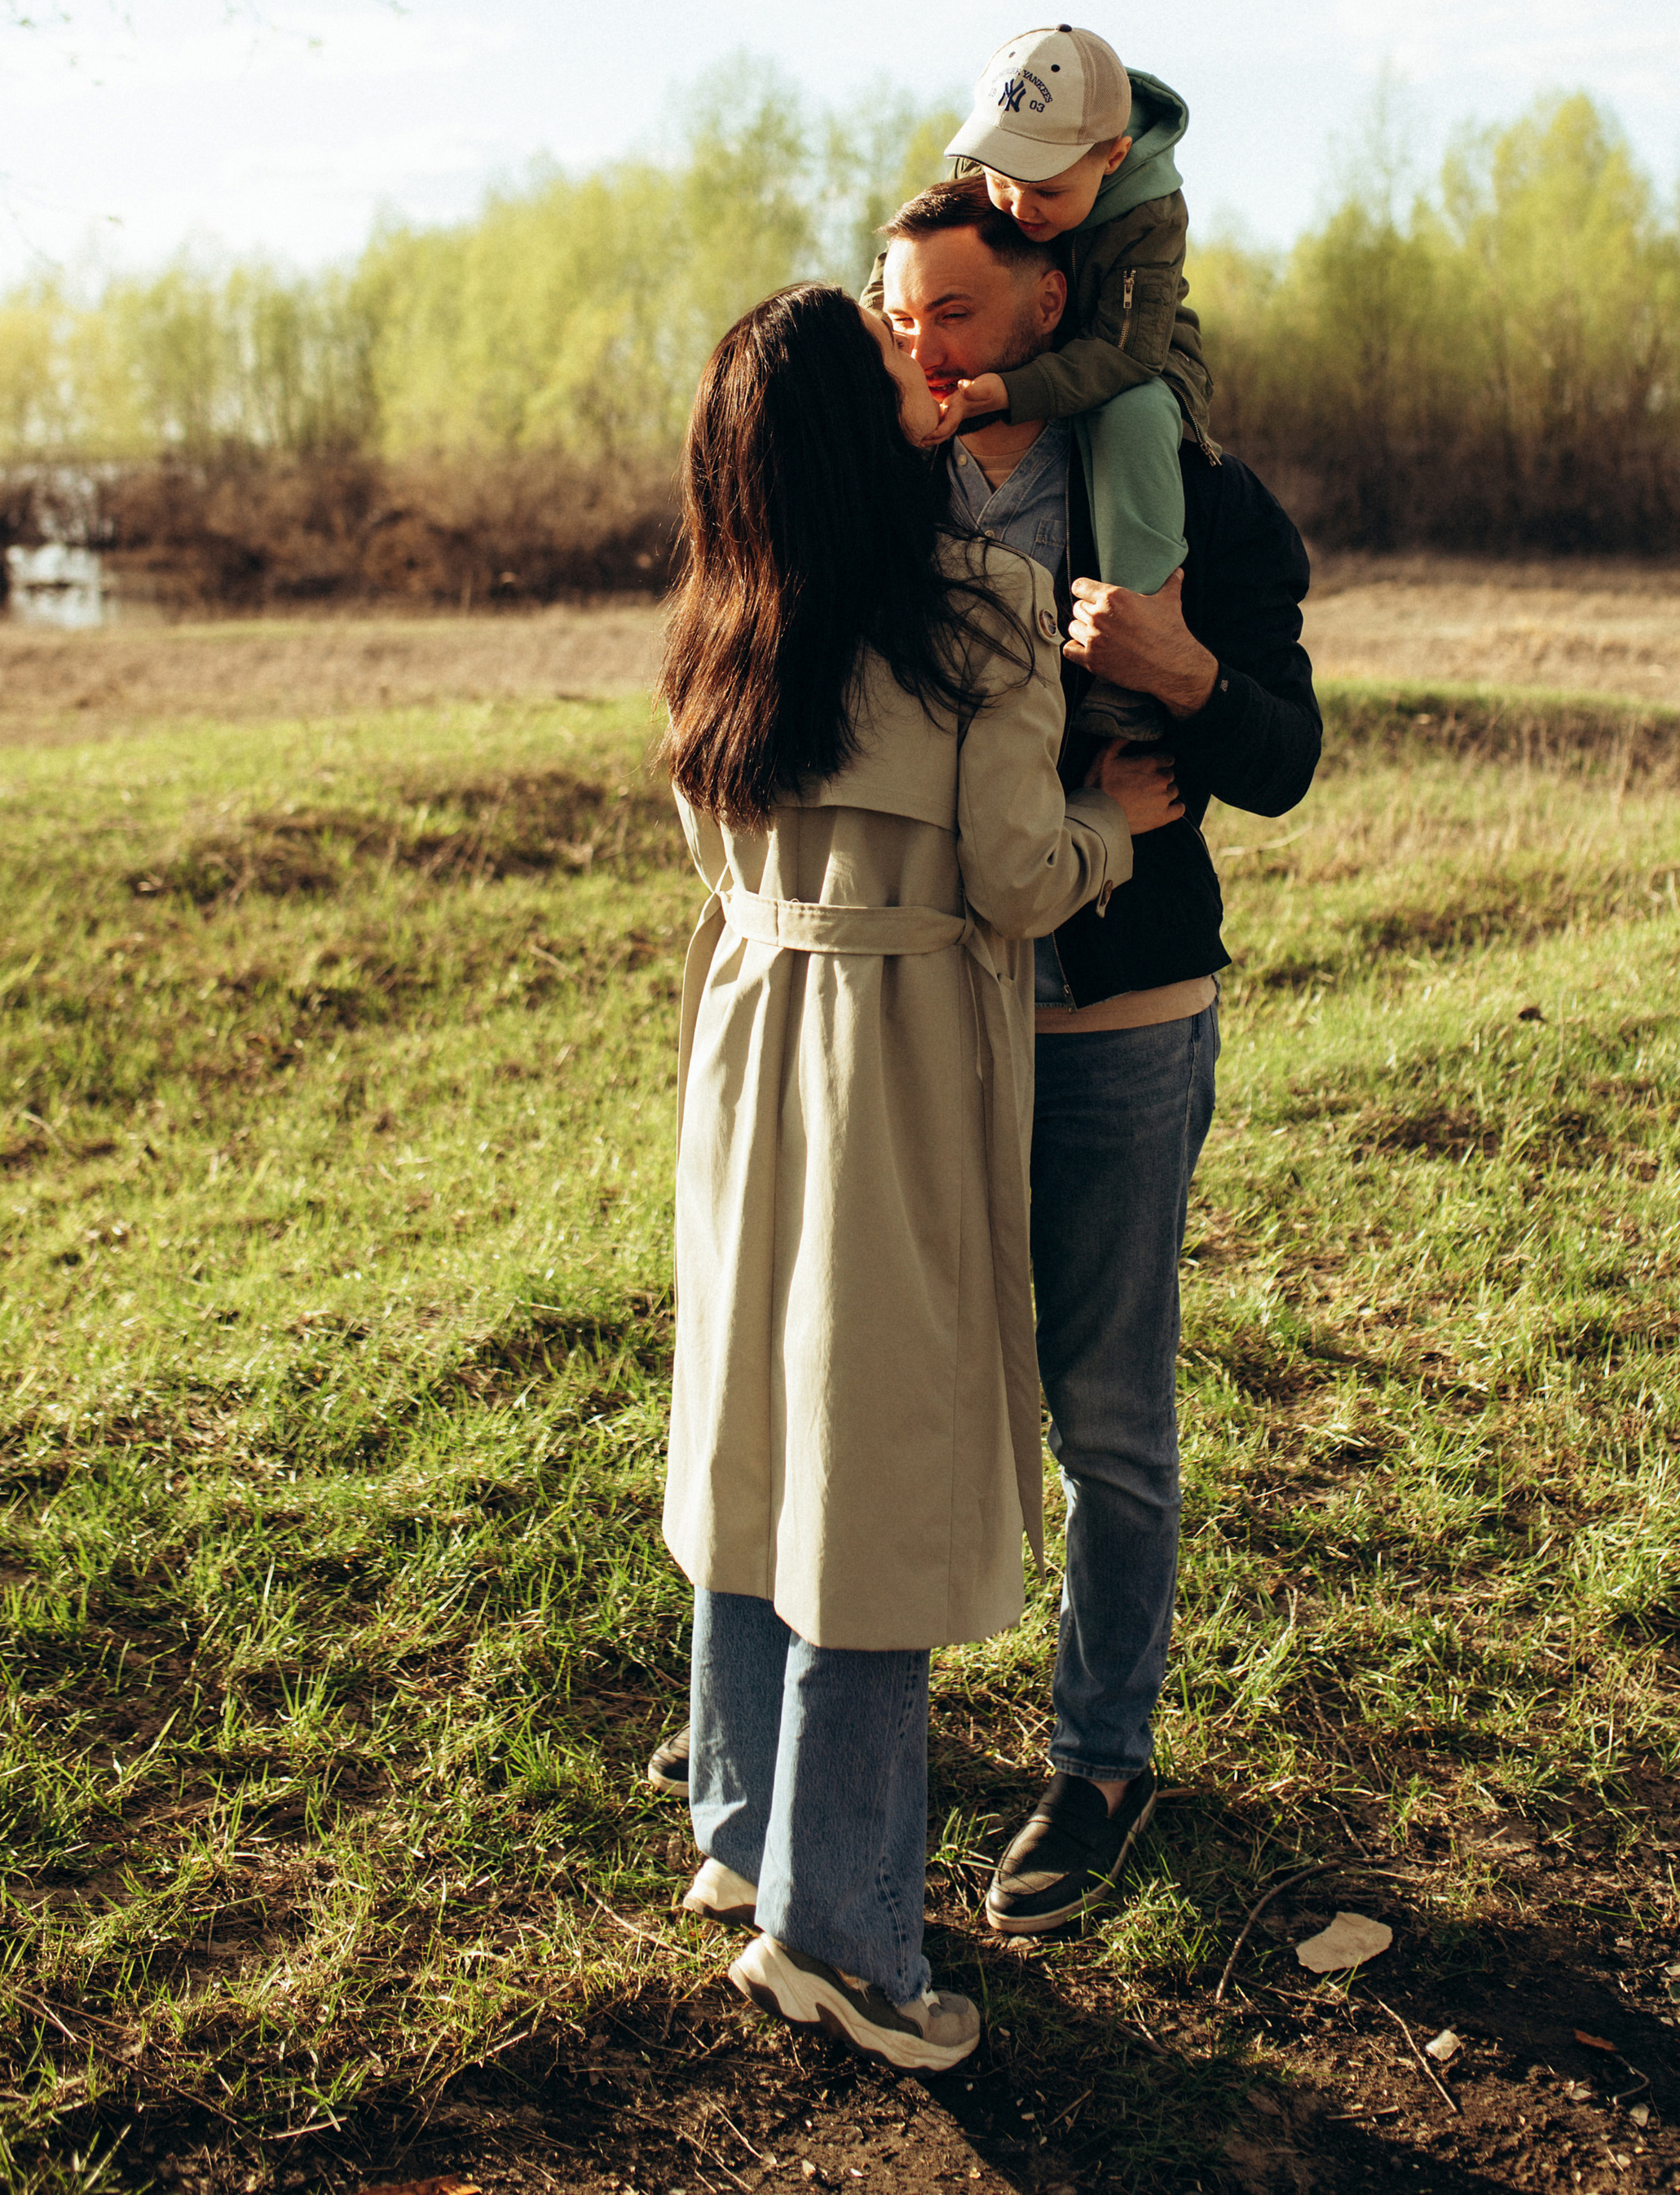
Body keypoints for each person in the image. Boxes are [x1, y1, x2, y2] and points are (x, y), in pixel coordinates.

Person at [655, 282, 1184, 2069]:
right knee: (874, 1466)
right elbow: (1021, 876)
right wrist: (1126, 822)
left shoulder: (719, 625)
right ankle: (847, 1937)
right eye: (896, 366)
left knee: (755, 1428)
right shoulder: (977, 614)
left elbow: (710, 843)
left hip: (747, 1041)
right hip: (885, 1054)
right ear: (846, 428)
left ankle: (740, 1838)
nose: (930, 374)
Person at [875, 177, 1323, 1936]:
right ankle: (858, 1711)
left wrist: (1185, 669)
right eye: (899, 315)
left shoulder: (1192, 499)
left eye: (955, 316)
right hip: (927, 1010)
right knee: (913, 1380)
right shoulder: (875, 491)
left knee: (1109, 1421)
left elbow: (1280, 760)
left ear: (1048, 306)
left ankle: (1099, 1758)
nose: (921, 348)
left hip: (1121, 1024)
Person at [867, 21, 1211, 741]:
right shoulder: (998, 184)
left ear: (1112, 157)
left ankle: (1127, 654)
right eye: (1000, 180)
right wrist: (876, 349)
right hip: (1018, 358)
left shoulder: (1152, 210)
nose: (1018, 207)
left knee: (1133, 419)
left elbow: (1126, 352)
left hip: (1130, 358)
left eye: (1046, 191)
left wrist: (1007, 391)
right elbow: (904, 268)